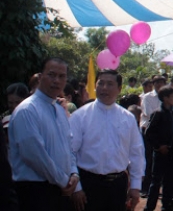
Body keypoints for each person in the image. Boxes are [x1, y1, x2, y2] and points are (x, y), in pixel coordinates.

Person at [9, 58, 79, 211]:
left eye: (62, 76)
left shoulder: (60, 111)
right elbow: (35, 156)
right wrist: (63, 180)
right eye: (51, 75)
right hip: (36, 192)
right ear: (40, 77)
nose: (56, 80)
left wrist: (74, 173)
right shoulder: (27, 110)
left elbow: (69, 147)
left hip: (61, 189)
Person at [69, 70, 145, 211]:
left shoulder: (127, 118)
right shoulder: (80, 116)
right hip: (88, 184)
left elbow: (136, 152)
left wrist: (135, 186)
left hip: (117, 185)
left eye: (110, 84)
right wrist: (77, 188)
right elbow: (69, 153)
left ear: (119, 88)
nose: (104, 88)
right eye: (101, 83)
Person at [144, 86, 173, 211]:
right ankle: (149, 207)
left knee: (169, 181)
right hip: (160, 153)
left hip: (171, 153)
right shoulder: (158, 113)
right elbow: (149, 133)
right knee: (156, 182)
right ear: (165, 98)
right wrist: (158, 146)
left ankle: (166, 205)